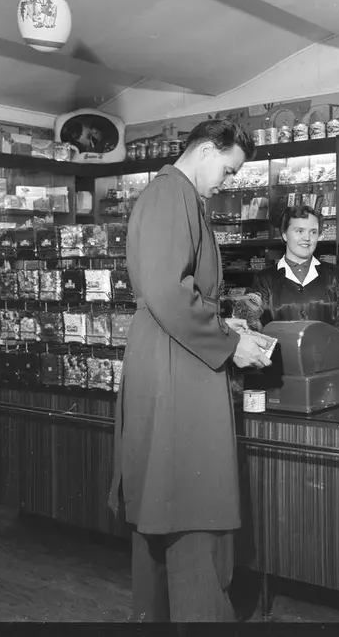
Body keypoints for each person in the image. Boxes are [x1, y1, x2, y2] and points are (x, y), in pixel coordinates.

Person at [108, 118, 274, 623]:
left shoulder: (178, 196)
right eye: (227, 169)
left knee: (168, 503)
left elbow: (178, 292)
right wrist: (228, 343)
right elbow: (166, 291)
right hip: (178, 365)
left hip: (174, 355)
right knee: (191, 506)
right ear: (206, 150)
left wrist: (226, 327)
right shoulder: (169, 195)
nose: (227, 182)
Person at [249, 204, 339, 341]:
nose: (307, 238)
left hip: (326, 359)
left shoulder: (334, 275)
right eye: (299, 231)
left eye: (313, 232)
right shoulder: (264, 279)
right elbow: (252, 328)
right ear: (284, 235)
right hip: (280, 360)